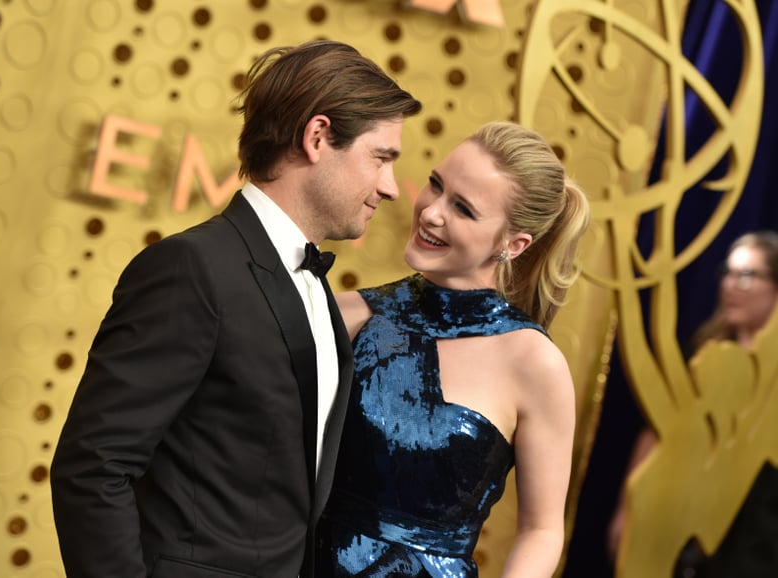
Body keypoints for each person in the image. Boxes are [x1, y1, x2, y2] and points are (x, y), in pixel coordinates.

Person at [50, 39, 421, 578]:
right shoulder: (192, 268)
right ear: (318, 137)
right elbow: (92, 467)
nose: (390, 187)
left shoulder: (317, 287)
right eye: (381, 157)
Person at [315, 121, 591, 577]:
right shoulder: (347, 315)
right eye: (436, 185)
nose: (430, 212)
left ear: (514, 244)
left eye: (462, 208)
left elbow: (542, 531)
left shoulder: (534, 363)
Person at [606, 230, 778, 577]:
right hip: (677, 524)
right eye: (728, 272)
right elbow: (657, 431)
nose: (731, 284)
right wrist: (628, 509)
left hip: (755, 534)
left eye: (747, 275)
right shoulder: (704, 353)